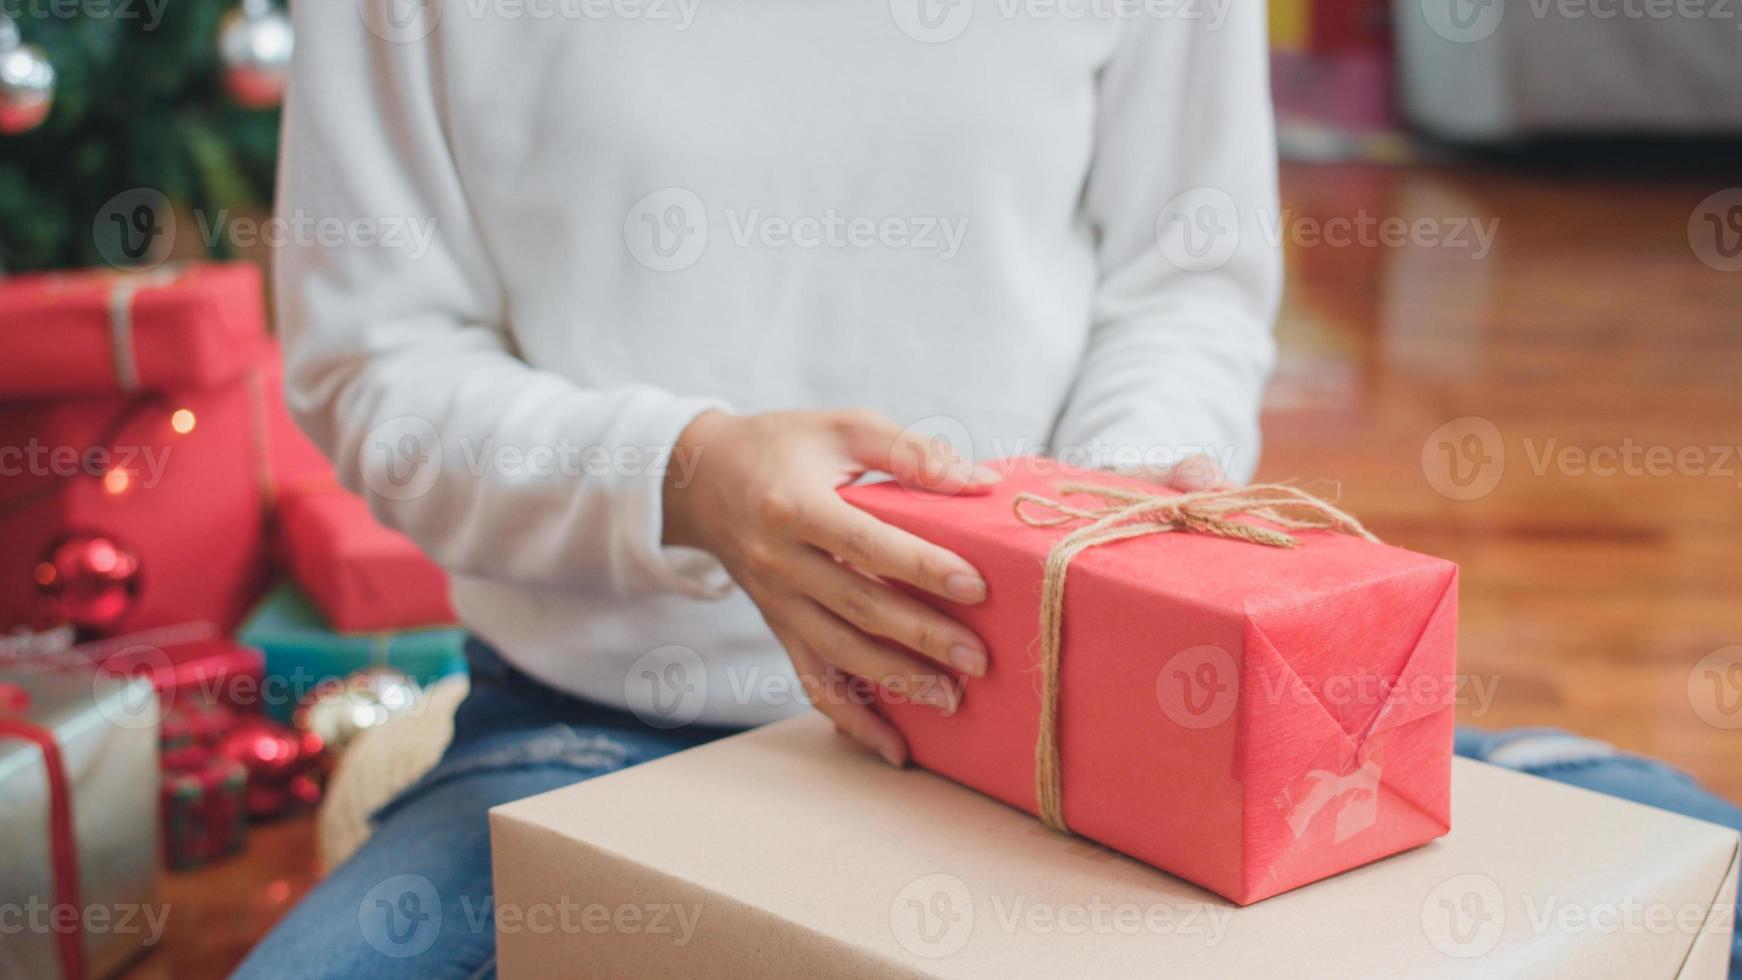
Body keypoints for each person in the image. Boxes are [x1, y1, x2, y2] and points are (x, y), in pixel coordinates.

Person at [239, 5, 1740, 978]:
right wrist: (687, 476)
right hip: (605, 739)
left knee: (1688, 878)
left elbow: (1185, 281)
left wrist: (1107, 547)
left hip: (1084, 733)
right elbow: (375, 371)